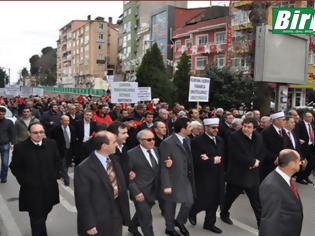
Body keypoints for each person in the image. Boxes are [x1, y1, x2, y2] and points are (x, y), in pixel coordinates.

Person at [74, 131, 130, 236]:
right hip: (98, 220)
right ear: (104, 146)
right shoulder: (84, 168)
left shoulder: (114, 160)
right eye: (114, 142)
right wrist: (89, 224)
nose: (117, 144)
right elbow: (82, 200)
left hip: (116, 215)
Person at [10, 122, 61, 236]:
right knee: (36, 217)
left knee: (45, 211)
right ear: (29, 133)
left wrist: (55, 174)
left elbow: (57, 161)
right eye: (35, 133)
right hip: (32, 191)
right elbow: (14, 167)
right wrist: (25, 181)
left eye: (41, 132)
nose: (39, 135)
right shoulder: (21, 147)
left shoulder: (51, 143)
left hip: (49, 188)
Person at [221, 117, 263, 227]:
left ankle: (261, 222)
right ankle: (224, 213)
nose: (245, 129)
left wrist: (257, 161)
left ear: (254, 128)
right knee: (229, 198)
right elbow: (235, 154)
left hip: (252, 174)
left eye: (249, 127)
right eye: (244, 126)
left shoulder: (258, 136)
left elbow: (261, 151)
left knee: (256, 201)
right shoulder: (234, 136)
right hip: (237, 174)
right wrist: (252, 162)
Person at [160, 117, 196, 236]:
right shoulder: (167, 143)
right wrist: (166, 184)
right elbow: (164, 165)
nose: (192, 128)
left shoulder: (187, 139)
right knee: (171, 204)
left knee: (189, 202)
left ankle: (180, 221)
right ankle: (169, 228)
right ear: (182, 129)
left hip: (185, 178)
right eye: (190, 126)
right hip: (172, 178)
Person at [189, 118, 224, 234]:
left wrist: (211, 159)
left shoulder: (219, 140)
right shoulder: (197, 141)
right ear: (206, 128)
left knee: (215, 200)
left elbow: (223, 157)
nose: (216, 130)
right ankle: (192, 212)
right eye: (213, 128)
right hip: (204, 176)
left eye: (217, 127)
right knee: (202, 200)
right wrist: (212, 160)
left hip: (218, 175)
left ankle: (209, 224)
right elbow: (196, 160)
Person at [259, 149, 303, 236]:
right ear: (291, 164)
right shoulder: (272, 186)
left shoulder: (285, 178)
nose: (301, 163)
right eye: (298, 161)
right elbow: (269, 223)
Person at [128, 129, 160, 236]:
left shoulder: (155, 150)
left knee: (142, 213)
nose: (152, 141)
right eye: (149, 139)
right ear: (141, 141)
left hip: (153, 190)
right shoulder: (131, 154)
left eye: (154, 139)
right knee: (146, 217)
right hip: (140, 192)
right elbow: (128, 177)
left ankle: (132, 226)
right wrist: (136, 192)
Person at [261, 111, 289, 179]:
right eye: (283, 120)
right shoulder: (266, 132)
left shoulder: (283, 131)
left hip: (281, 163)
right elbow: (263, 148)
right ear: (276, 121)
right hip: (270, 164)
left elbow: (286, 145)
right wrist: (274, 157)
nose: (285, 121)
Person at [50, 115, 76, 186]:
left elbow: (73, 140)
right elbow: (51, 139)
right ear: (61, 121)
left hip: (69, 150)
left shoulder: (72, 128)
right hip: (60, 150)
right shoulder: (55, 129)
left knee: (66, 164)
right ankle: (66, 179)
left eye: (68, 120)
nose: (67, 122)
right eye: (65, 120)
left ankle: (60, 173)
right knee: (64, 165)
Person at [295, 112, 315, 184]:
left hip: (311, 146)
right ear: (304, 117)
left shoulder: (312, 125)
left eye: (311, 117)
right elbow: (295, 134)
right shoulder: (299, 125)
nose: (311, 118)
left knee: (312, 163)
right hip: (302, 147)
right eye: (309, 117)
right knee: (301, 163)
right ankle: (299, 178)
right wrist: (298, 140)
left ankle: (305, 176)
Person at [0, 106, 15, 183]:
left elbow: (12, 133)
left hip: (5, 144)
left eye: (2, 114)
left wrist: (13, 143)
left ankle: (3, 177)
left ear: (4, 114)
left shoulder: (9, 122)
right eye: (0, 114)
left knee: (5, 163)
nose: (1, 115)